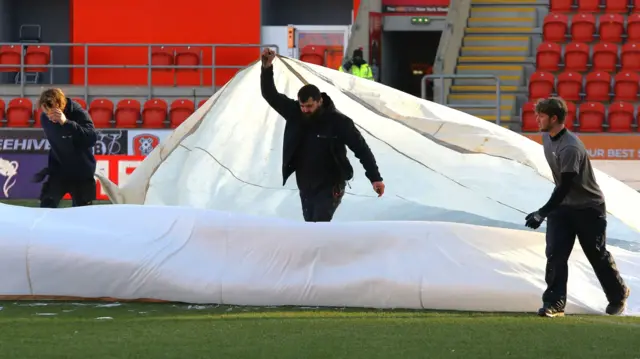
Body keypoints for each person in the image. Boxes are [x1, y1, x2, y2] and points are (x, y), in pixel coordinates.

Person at [525, 97, 630, 317]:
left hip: (588, 208)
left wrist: (542, 212)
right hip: (563, 208)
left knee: (596, 254)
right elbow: (561, 190)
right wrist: (549, 211)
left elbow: (565, 186)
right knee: (555, 254)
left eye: (541, 115)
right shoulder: (547, 139)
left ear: (554, 118)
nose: (537, 119)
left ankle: (618, 294)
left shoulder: (570, 147)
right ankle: (554, 304)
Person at [260, 48, 385, 222]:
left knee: (319, 223)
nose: (305, 110)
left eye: (309, 106)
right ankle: (317, 249)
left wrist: (375, 178)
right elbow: (270, 95)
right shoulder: (295, 112)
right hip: (305, 182)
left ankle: (324, 248)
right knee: (310, 223)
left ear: (320, 101)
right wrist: (266, 68)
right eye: (303, 106)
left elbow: (361, 149)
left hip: (331, 183)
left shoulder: (339, 122)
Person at [34, 88, 98, 208]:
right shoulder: (44, 118)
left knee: (83, 214)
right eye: (46, 112)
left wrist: (66, 123)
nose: (50, 117)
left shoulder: (78, 113)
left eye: (52, 112)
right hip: (58, 170)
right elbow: (57, 143)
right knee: (46, 207)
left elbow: (92, 138)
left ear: (60, 105)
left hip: (82, 172)